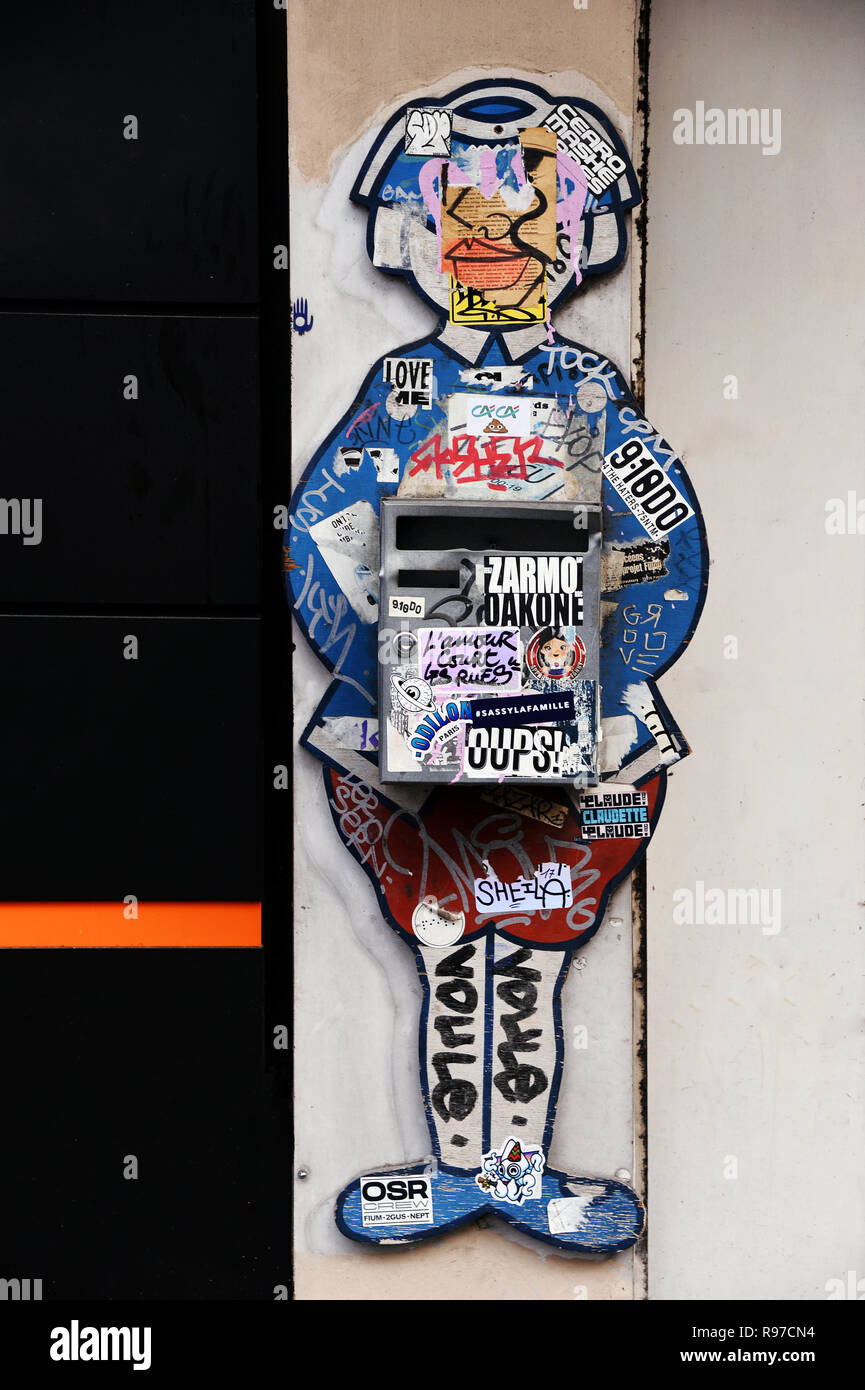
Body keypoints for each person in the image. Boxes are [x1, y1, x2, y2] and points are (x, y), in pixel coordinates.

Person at [286, 79, 708, 1252]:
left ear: (582, 241)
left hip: (566, 748)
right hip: (418, 748)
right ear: (411, 236)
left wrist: (601, 675)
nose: (496, 240)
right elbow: (322, 526)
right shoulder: (396, 390)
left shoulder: (588, 394)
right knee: (447, 955)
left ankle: (513, 1164)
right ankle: (463, 1165)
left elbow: (663, 546)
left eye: (534, 215)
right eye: (459, 216)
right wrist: (396, 665)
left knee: (522, 958)